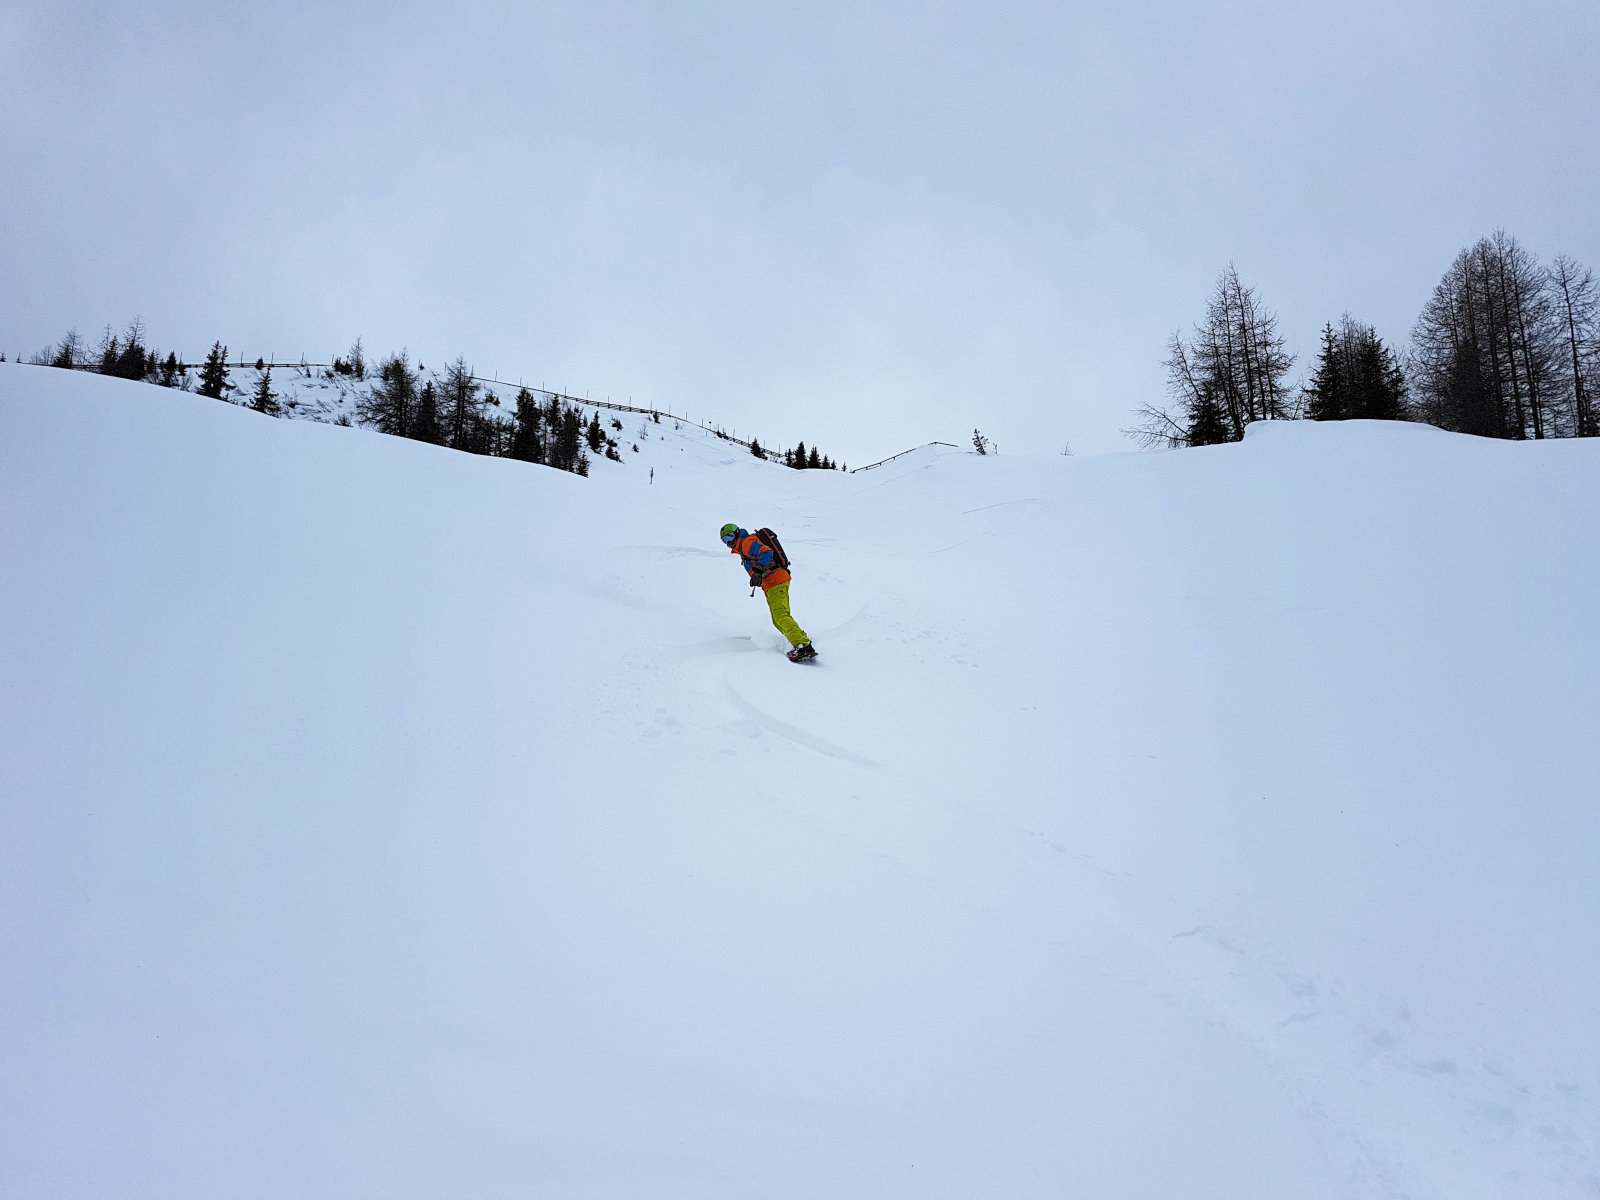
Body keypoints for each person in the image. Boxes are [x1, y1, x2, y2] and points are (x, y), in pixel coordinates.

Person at [720, 523, 817, 661]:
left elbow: (766, 552)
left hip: (775, 579)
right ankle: (801, 639)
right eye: (724, 540)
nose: (728, 543)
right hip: (772, 583)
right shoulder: (742, 549)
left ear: (736, 533)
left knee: (780, 615)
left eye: (729, 537)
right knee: (777, 620)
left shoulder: (746, 543)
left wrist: (758, 570)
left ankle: (804, 646)